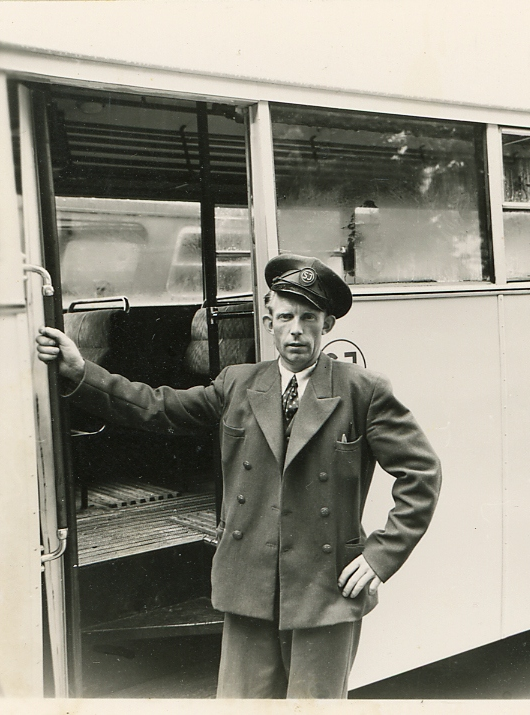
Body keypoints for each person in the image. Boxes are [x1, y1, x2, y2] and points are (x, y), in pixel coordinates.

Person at [36, 253, 442, 699]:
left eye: (309, 317)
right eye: (285, 317)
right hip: (250, 583)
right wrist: (82, 373)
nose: (297, 329)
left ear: (327, 324)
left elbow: (420, 472)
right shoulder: (238, 383)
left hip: (326, 588)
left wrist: (381, 556)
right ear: (268, 323)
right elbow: (158, 406)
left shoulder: (362, 390)